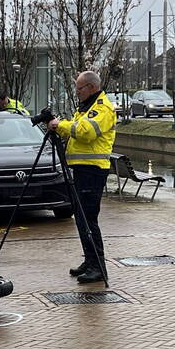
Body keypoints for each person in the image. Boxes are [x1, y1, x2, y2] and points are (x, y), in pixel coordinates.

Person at [48, 71, 116, 284]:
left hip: (93, 170)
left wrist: (60, 125)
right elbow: (74, 131)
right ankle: (90, 260)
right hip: (81, 169)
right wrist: (58, 128)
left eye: (79, 88)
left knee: (88, 218)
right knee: (81, 217)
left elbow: (85, 132)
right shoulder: (86, 107)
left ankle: (98, 267)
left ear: (92, 87)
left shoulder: (102, 108)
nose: (77, 92)